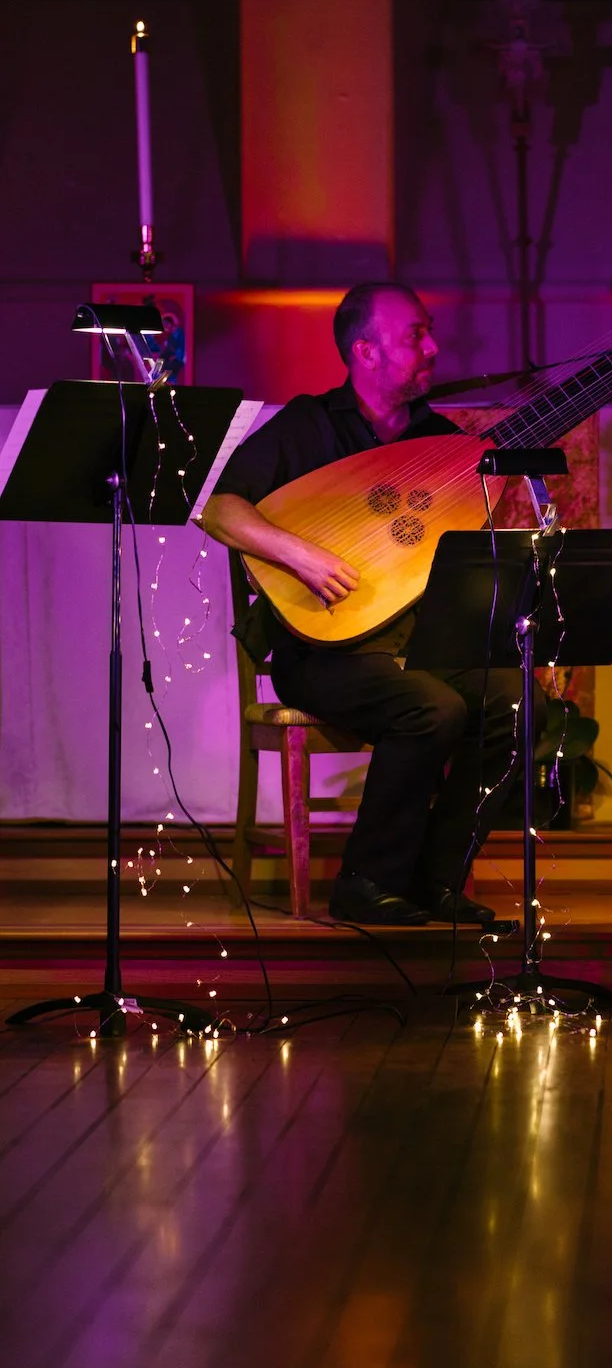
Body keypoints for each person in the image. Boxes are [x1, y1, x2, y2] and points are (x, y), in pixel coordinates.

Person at [200, 281, 532, 928]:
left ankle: (435, 882)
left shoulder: (440, 440)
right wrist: (300, 554)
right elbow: (220, 509)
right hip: (322, 649)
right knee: (430, 710)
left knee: (518, 704)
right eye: (415, 335)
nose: (433, 347)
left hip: (415, 646)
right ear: (366, 352)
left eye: (430, 331)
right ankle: (365, 882)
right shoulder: (308, 426)